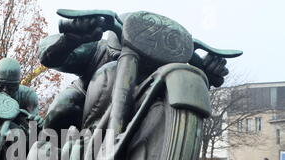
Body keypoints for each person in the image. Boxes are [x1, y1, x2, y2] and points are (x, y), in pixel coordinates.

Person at [39, 14, 229, 135]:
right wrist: (70, 39)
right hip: (84, 101)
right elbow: (49, 55)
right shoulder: (97, 49)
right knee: (64, 106)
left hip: (136, 109)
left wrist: (205, 73)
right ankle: (44, 155)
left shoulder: (162, 71)